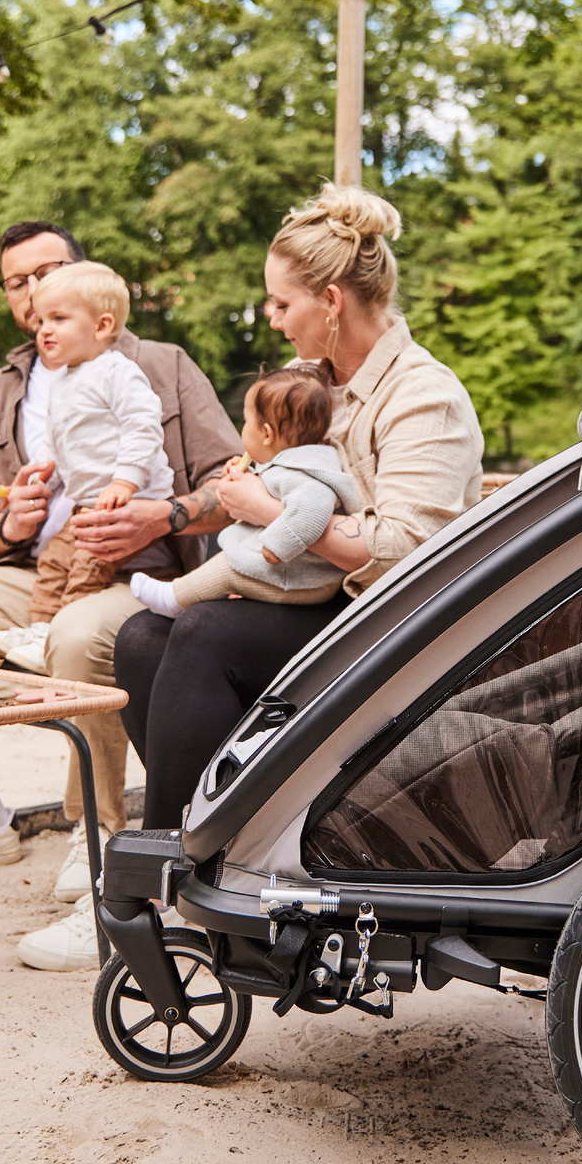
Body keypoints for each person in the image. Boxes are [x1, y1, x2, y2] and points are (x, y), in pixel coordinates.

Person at [0, 221, 241, 970]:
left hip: (142, 575)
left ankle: (94, 834)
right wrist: (7, 523)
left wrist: (158, 515)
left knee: (77, 635)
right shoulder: (1, 393)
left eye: (48, 273)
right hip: (34, 573)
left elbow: (232, 486)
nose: (32, 292)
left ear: (86, 285)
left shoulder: (157, 366)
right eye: (16, 282)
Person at [107, 183, 484, 874]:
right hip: (304, 596)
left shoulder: (423, 395)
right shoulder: (309, 382)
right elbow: (256, 483)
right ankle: (217, 849)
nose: (273, 320)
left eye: (282, 304)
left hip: (385, 626)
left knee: (202, 632)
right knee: (140, 639)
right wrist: (198, 508)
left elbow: (402, 551)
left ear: (331, 301)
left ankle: (169, 871)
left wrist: (275, 517)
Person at [0, 262, 175, 670]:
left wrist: (124, 482)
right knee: (54, 562)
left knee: (85, 570)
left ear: (103, 326)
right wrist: (41, 474)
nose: (44, 330)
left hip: (125, 503)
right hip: (86, 504)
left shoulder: (117, 372)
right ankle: (39, 632)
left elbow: (143, 426)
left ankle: (55, 636)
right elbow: (60, 440)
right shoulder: (64, 381)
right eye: (40, 321)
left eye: (58, 319)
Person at [129, 363, 355, 618]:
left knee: (227, 567)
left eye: (247, 422)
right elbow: (274, 489)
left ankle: (174, 598)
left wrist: (277, 546)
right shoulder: (293, 463)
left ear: (266, 434)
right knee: (230, 562)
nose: (242, 429)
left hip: (300, 578)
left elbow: (312, 510)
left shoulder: (306, 473)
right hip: (294, 571)